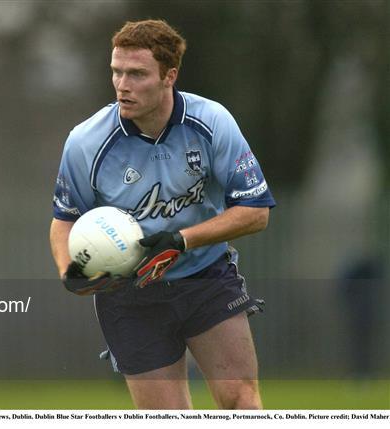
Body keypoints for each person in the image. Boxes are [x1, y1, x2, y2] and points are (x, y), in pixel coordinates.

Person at [50, 19, 275, 409]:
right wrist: (69, 269)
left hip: (206, 278)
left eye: (137, 74)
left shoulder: (212, 123)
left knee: (242, 402)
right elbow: (64, 219)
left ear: (169, 76)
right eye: (117, 72)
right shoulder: (86, 142)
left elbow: (255, 212)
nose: (123, 84)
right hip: (129, 296)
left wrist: (182, 240)